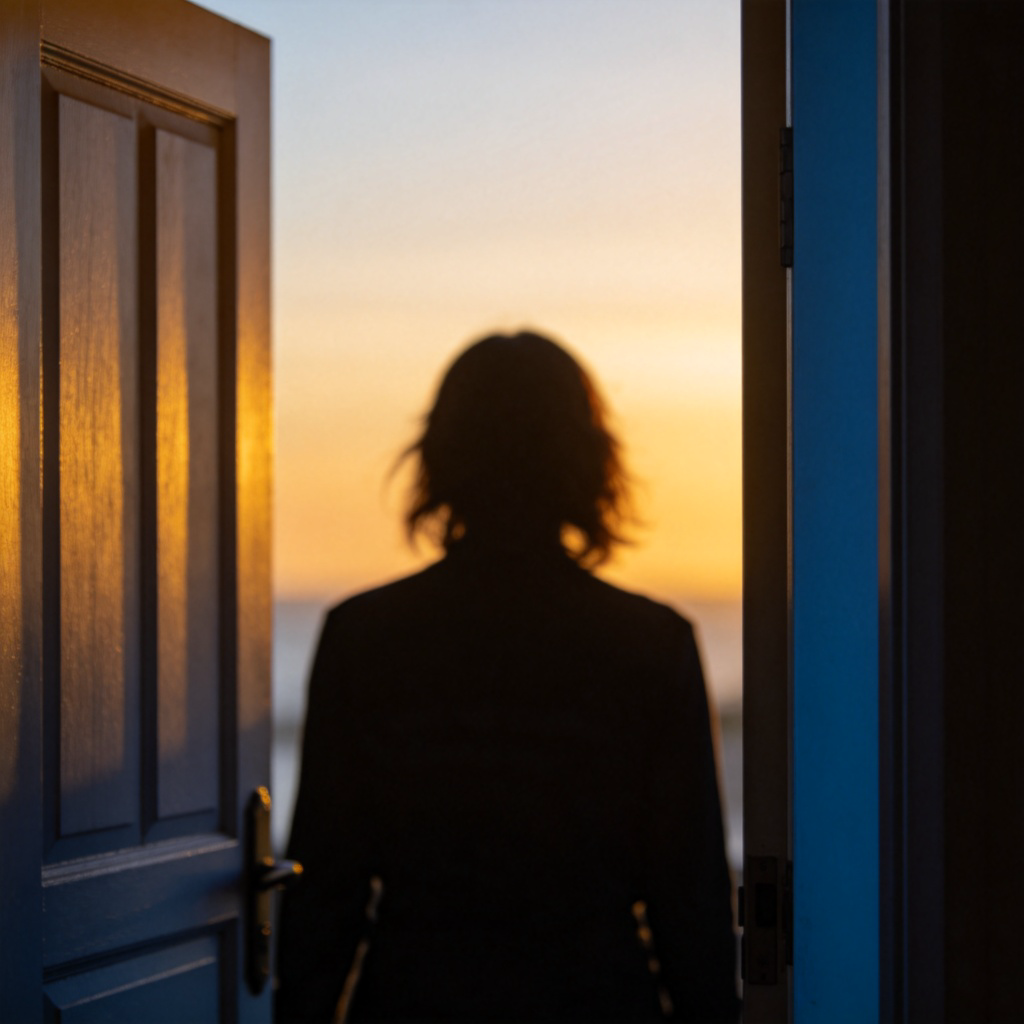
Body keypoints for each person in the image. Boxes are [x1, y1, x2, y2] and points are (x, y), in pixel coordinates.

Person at [275, 331, 739, 1022]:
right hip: (597, 998)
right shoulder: (651, 643)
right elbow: (689, 896)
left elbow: (326, 885)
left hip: (416, 996)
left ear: (441, 455)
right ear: (587, 460)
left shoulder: (363, 636)